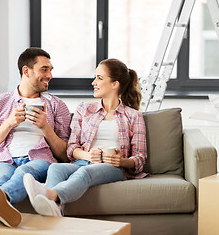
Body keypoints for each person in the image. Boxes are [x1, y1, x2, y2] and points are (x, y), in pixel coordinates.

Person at [23, 58, 148, 217]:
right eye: (95, 77)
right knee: (55, 168)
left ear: (114, 84)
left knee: (84, 173)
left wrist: (122, 161)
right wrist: (88, 155)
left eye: (99, 78)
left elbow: (140, 157)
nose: (93, 82)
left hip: (113, 168)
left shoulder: (134, 116)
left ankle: (50, 195)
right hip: (83, 160)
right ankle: (55, 210)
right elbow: (72, 147)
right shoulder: (84, 109)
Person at [0, 47, 71, 227]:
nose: (50, 75)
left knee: (23, 173)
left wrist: (46, 127)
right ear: (26, 71)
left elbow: (65, 155)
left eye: (51, 69)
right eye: (45, 69)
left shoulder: (57, 106)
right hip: (4, 160)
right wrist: (9, 123)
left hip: (39, 159)